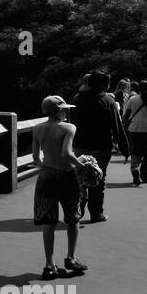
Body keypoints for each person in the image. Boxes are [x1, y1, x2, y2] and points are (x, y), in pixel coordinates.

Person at [31, 95, 88, 279]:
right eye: (65, 109)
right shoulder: (68, 127)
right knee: (73, 218)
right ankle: (71, 258)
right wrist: (82, 166)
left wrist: (45, 167)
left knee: (49, 222)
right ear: (60, 111)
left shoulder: (37, 128)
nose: (66, 112)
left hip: (45, 176)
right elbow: (67, 153)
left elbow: (35, 158)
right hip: (66, 176)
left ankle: (49, 265)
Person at [72, 72, 128, 223]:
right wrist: (125, 148)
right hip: (101, 146)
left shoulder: (77, 99)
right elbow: (117, 126)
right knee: (98, 178)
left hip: (80, 145)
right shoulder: (108, 100)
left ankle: (78, 208)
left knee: (80, 176)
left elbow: (71, 124)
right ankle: (96, 213)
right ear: (105, 85)